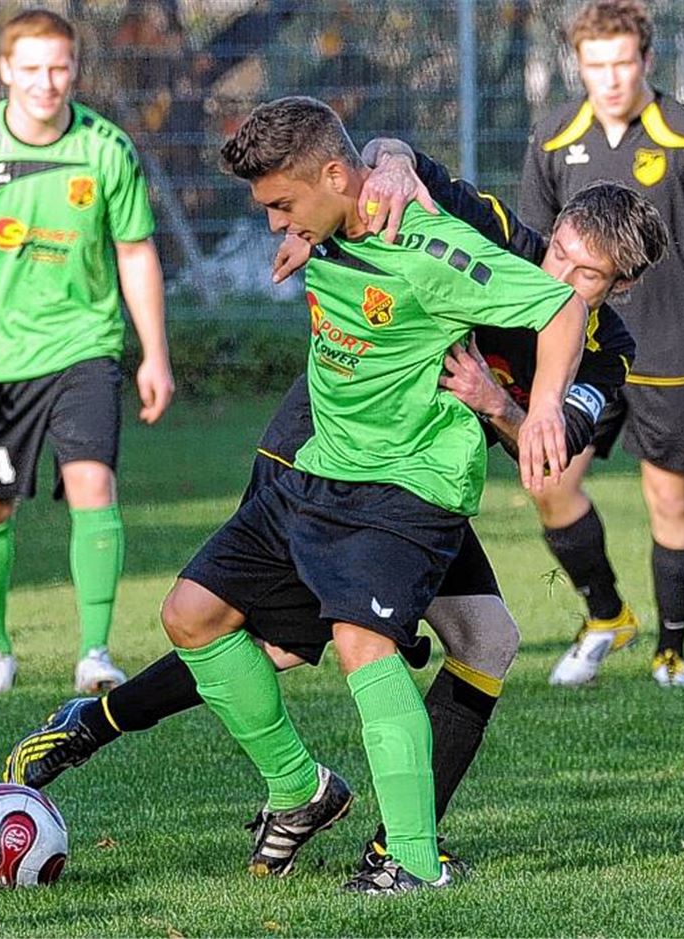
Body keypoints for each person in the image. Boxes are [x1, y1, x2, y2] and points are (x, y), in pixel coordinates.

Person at [4, 157, 666, 892]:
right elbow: (383, 163)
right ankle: (105, 725)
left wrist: (499, 404)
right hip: (322, 449)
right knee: (269, 639)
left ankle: (396, 845)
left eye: (586, 274)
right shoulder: (501, 236)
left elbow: (549, 450)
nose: (560, 274)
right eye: (560, 252)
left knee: (485, 639)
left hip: (415, 479)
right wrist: (387, 170)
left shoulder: (607, 351)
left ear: (620, 287)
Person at [149, 96, 587, 895]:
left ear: (332, 175)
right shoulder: (330, 218)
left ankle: (414, 862)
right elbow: (376, 150)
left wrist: (547, 406)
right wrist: (307, 227)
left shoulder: (428, 248)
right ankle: (299, 788)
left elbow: (561, 307)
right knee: (191, 614)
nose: (275, 222)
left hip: (406, 485)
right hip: (319, 469)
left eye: (283, 204)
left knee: (363, 644)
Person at [518, 0, 684, 687]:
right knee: (549, 481)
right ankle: (606, 614)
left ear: (647, 60)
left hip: (670, 352)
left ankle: (671, 652)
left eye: (622, 62)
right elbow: (533, 249)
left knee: (669, 500)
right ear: (578, 65)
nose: (610, 78)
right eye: (595, 64)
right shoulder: (553, 138)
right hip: (582, 350)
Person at [0, 9, 175, 695]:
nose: (45, 83)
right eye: (30, 68)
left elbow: (135, 251)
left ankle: (95, 653)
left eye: (58, 68)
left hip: (85, 346)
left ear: (75, 69)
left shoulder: (106, 148)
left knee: (93, 482)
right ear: (4, 70)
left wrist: (154, 353)